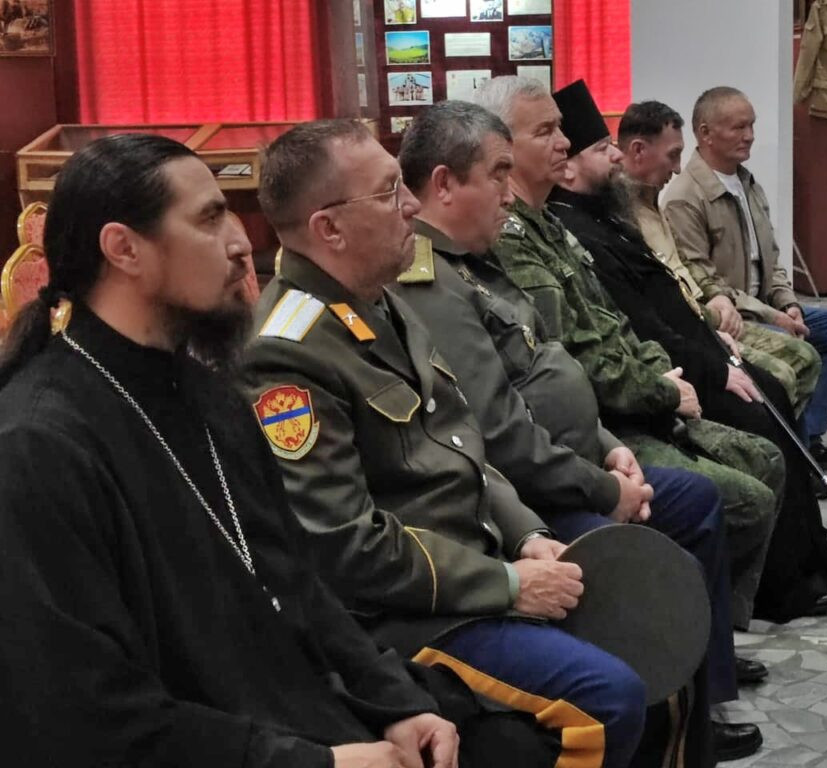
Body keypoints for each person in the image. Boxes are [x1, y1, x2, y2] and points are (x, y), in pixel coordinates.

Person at [0, 133, 556, 768]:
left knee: (504, 743)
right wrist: (321, 763)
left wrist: (397, 703)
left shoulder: (209, 396)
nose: (241, 243)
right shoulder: (38, 445)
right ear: (124, 248)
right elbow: (81, 713)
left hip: (292, 707)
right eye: (210, 219)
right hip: (208, 744)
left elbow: (296, 585)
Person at [241, 119, 647, 768]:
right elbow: (346, 546)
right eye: (388, 192)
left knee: (645, 627)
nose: (410, 204)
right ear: (329, 228)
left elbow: (462, 441)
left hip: (478, 561)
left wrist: (526, 534)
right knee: (608, 700)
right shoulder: (288, 353)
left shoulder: (380, 298)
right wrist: (507, 584)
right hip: (406, 614)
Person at [391, 99, 770, 765]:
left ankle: (704, 697)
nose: (509, 192)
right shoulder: (432, 283)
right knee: (655, 584)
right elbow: (497, 432)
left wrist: (609, 448)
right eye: (498, 174)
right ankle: (683, 720)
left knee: (694, 505)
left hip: (571, 460)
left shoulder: (481, 256)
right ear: (445, 185)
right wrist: (601, 487)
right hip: (531, 494)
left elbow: (554, 362)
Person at [545, 79, 827, 626]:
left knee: (774, 391)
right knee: (760, 417)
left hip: (693, 348)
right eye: (601, 149)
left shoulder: (608, 213)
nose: (615, 156)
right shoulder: (571, 226)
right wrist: (707, 368)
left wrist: (715, 336)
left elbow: (671, 289)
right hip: (666, 375)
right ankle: (781, 586)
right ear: (566, 170)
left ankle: (807, 562)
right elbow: (632, 321)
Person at [662, 86, 827, 472]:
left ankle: (810, 440)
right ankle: (795, 454)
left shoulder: (748, 184)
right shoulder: (684, 197)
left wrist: (788, 302)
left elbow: (771, 257)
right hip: (733, 318)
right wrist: (773, 315)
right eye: (738, 127)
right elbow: (704, 280)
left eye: (751, 125)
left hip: (766, 308)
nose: (749, 136)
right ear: (706, 133)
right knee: (794, 348)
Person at [617, 100, 821, 416]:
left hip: (717, 310)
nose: (677, 167)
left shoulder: (658, 200)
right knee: (783, 373)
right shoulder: (631, 212)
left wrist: (728, 298)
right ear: (638, 150)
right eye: (739, 127)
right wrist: (718, 309)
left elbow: (694, 267)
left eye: (751, 126)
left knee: (819, 342)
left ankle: (801, 439)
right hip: (693, 324)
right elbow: (666, 292)